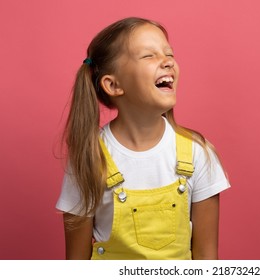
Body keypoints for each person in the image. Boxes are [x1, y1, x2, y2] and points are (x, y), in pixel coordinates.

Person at [56, 17, 230, 260]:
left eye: (169, 53)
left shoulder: (198, 153)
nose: (167, 61)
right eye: (149, 56)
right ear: (113, 85)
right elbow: (76, 263)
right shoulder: (89, 159)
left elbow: (206, 259)